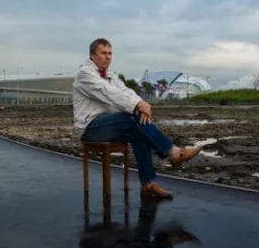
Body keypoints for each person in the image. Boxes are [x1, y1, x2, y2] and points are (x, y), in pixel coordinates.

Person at [73, 38, 202, 199]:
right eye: (103, 53)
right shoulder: (85, 73)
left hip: (109, 125)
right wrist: (137, 105)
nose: (108, 57)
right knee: (132, 118)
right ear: (92, 55)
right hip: (90, 127)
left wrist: (141, 104)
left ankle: (148, 184)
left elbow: (126, 91)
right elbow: (108, 93)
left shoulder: (111, 75)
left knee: (139, 132)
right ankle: (173, 153)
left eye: (110, 53)